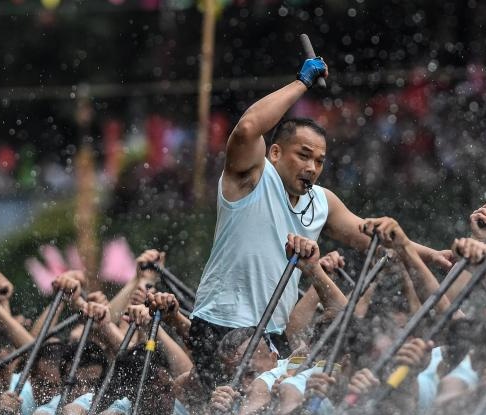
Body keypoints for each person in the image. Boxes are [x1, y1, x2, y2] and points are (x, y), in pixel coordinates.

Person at [188, 54, 445, 386]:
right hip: (220, 325)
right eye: (304, 155)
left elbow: (374, 239)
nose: (312, 168)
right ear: (276, 153)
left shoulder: (322, 201)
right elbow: (249, 127)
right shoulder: (252, 176)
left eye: (320, 161)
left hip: (273, 335)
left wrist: (429, 254)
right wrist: (302, 83)